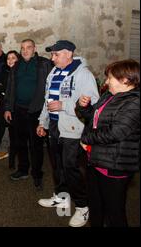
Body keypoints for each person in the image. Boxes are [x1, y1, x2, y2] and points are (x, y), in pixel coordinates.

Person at [36, 40, 99, 227]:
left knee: (71, 168)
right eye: (52, 54)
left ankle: (82, 206)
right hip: (54, 126)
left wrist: (65, 106)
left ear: (69, 54)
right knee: (57, 166)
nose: (52, 58)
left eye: (56, 54)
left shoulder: (83, 74)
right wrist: (43, 122)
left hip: (72, 128)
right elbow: (48, 101)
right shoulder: (53, 73)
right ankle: (62, 198)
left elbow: (93, 104)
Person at [77, 59, 140, 227]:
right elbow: (94, 119)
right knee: (96, 208)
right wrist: (84, 107)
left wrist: (86, 138)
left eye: (109, 78)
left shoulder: (134, 103)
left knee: (115, 213)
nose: (105, 82)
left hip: (115, 164)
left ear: (125, 80)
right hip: (96, 160)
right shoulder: (109, 96)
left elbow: (116, 132)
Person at [3, 39, 52, 189]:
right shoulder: (16, 66)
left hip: (36, 111)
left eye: (28, 48)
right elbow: (10, 87)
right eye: (22, 48)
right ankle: (23, 170)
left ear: (34, 48)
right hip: (18, 110)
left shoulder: (43, 64)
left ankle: (37, 175)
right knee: (20, 142)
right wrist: (8, 108)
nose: (25, 51)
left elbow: (50, 87)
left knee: (36, 145)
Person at [0, 50, 19, 168]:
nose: (10, 60)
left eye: (13, 58)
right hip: (2, 107)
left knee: (13, 136)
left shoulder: (20, 73)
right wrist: (6, 92)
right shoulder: (4, 71)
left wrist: (4, 90)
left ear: (18, 59)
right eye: (8, 58)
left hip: (15, 108)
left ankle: (11, 162)